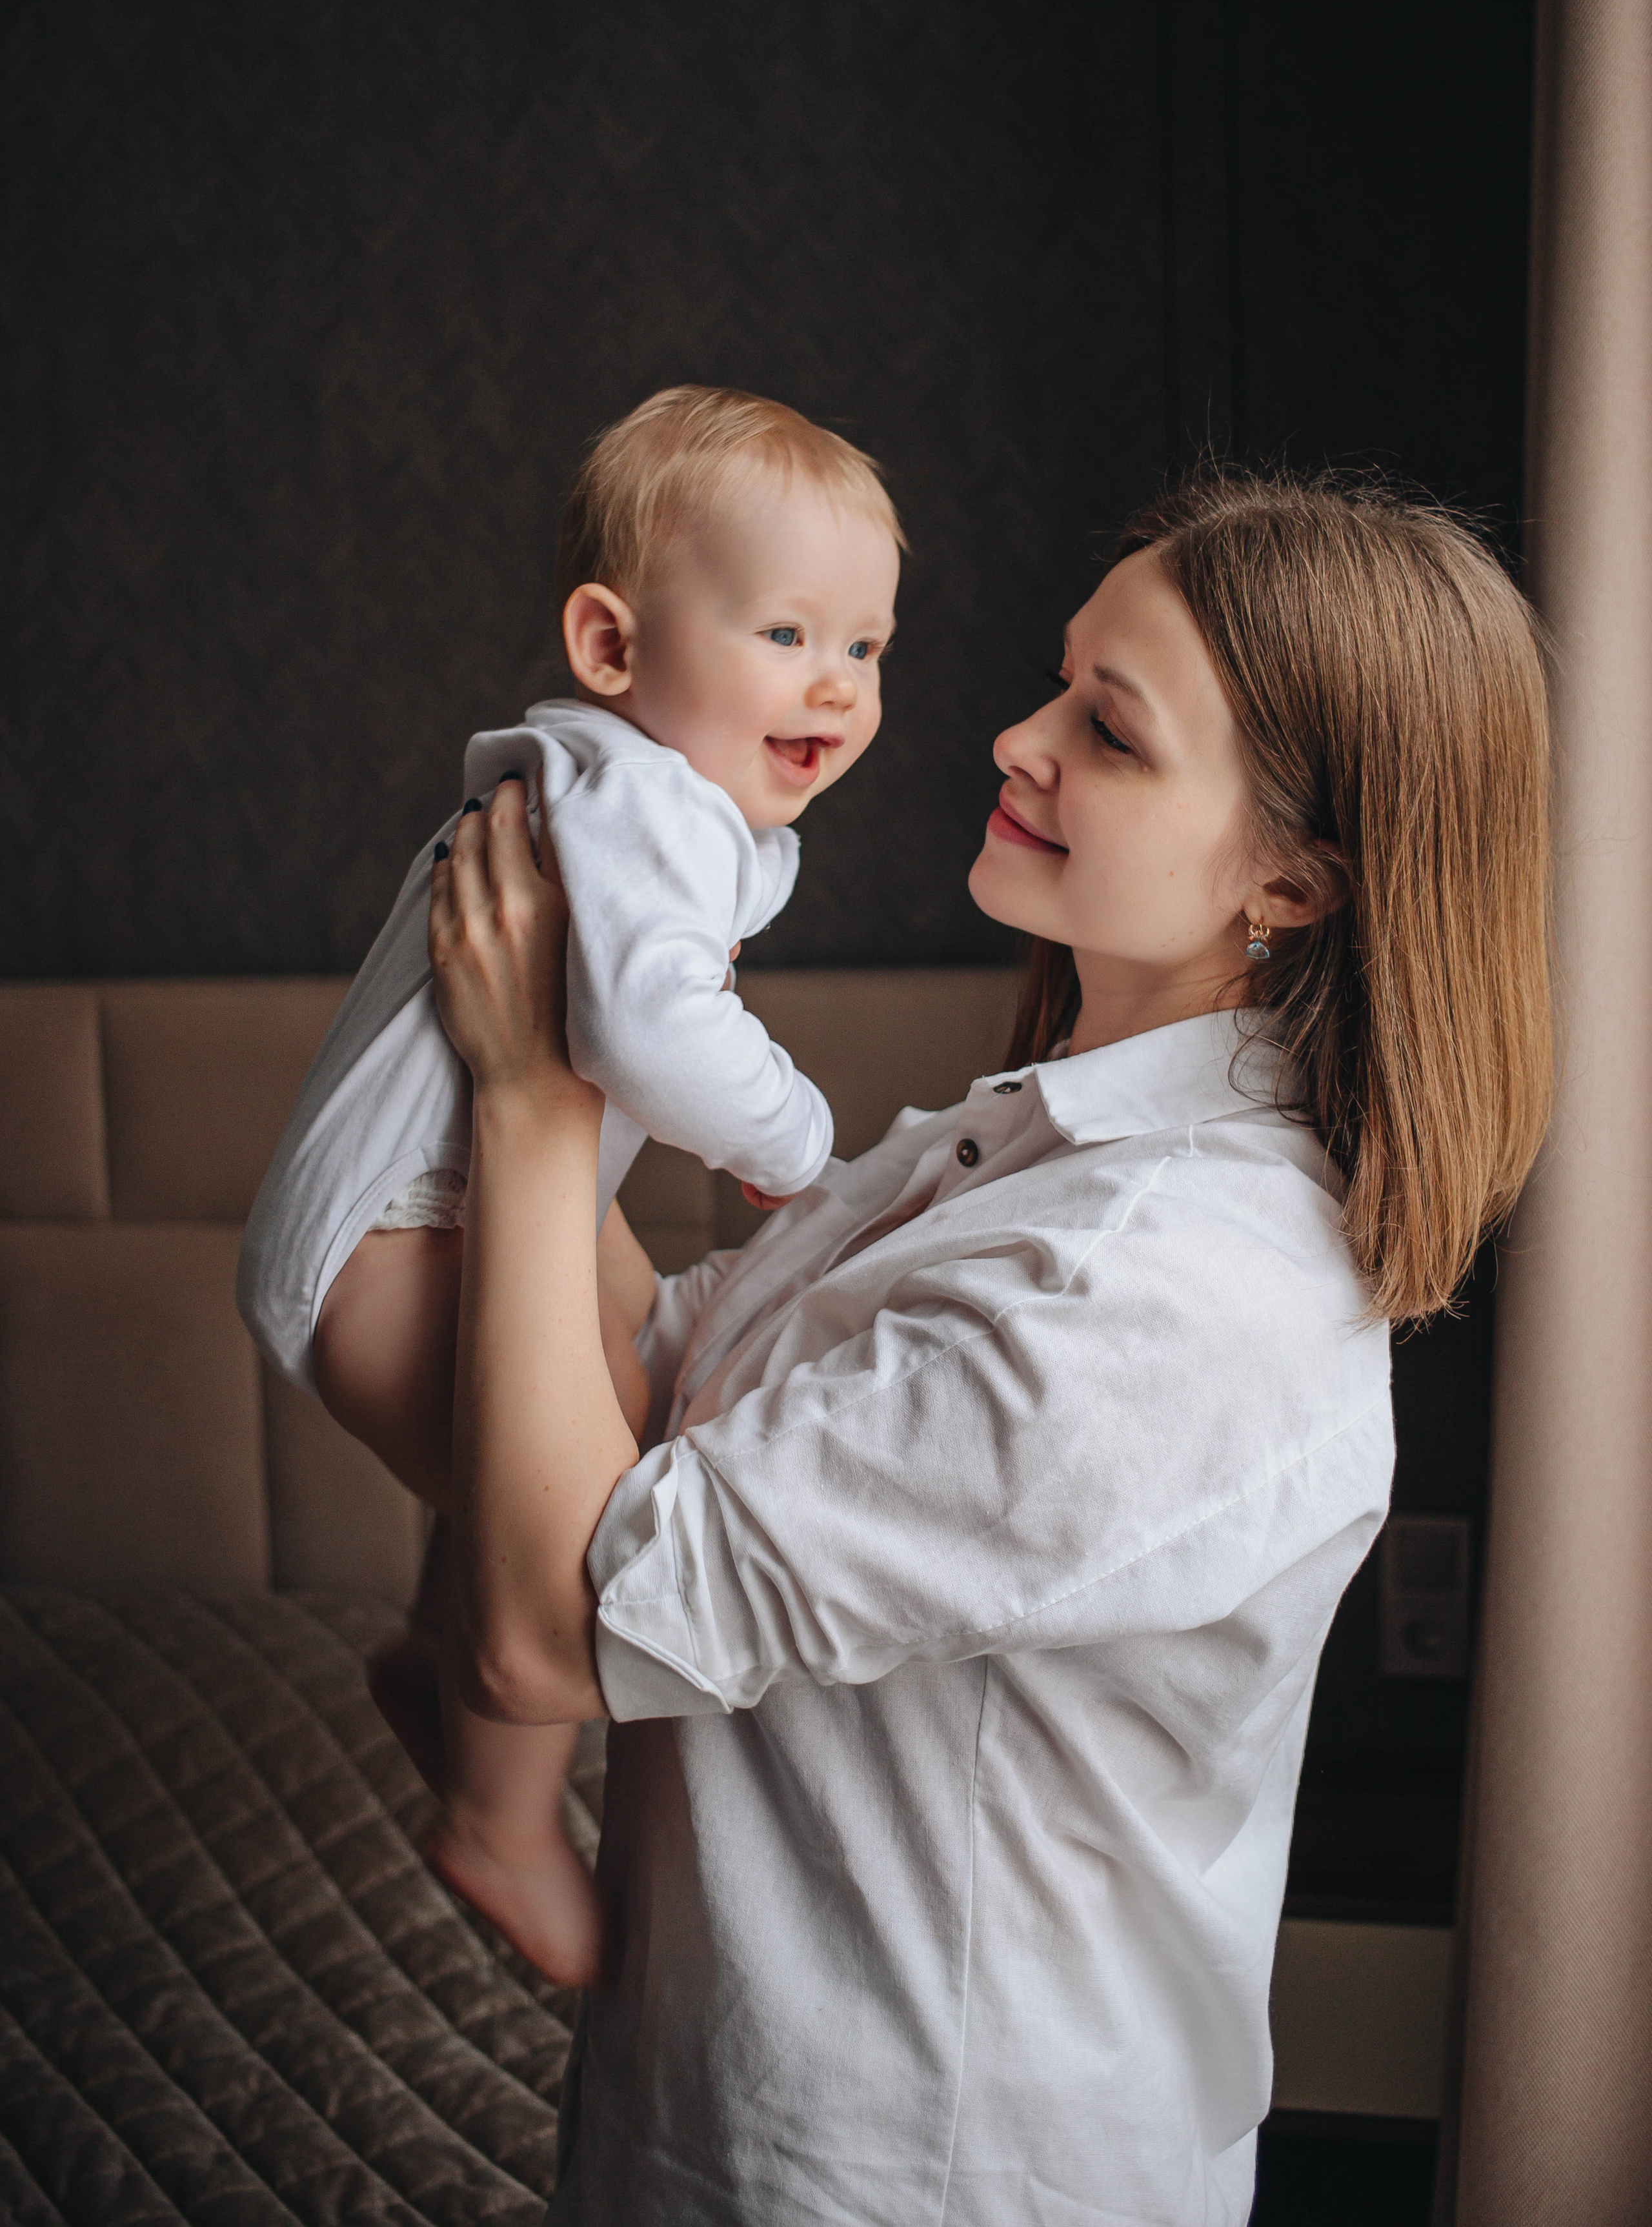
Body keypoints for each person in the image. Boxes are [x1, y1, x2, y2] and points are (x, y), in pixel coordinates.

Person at [395, 471, 1554, 2223]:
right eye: (1055, 680)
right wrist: (541, 1046)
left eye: (1109, 726)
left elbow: (554, 1633)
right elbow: (653, 1375)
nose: (1014, 738)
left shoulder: (1160, 1295)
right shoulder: (1023, 1144)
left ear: (1296, 881)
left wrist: (536, 1107)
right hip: (708, 2120)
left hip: (919, 2173)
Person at [237, 384, 903, 1985]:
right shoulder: (642, 809)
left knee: (555, 1420)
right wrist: (794, 1143)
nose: (834, 683)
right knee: (576, 1509)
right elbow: (650, 1024)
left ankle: (425, 1656)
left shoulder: (630, 789)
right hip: (391, 1232)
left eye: (867, 648)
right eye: (785, 633)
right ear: (611, 647)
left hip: (417, 1211)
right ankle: (502, 1821)